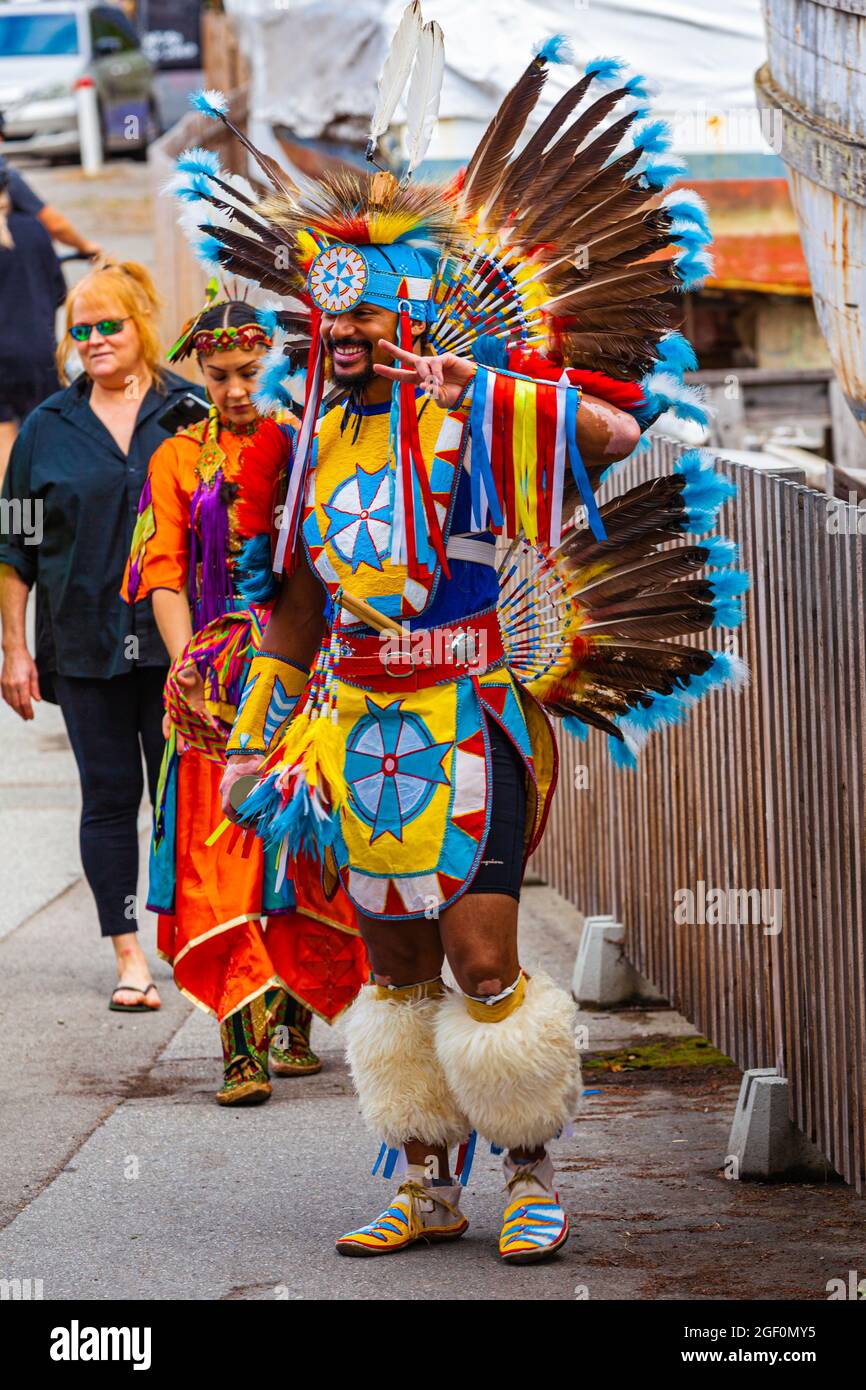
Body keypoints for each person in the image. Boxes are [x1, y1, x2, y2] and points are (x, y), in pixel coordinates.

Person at [179, 17, 745, 1266]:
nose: (360, 346)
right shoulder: (306, 443)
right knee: (392, 971)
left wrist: (484, 391)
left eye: (380, 328)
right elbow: (292, 609)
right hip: (352, 736)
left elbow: (621, 437)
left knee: (482, 956)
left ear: (415, 323)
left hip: (469, 724)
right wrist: (256, 740)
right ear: (319, 336)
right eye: (342, 334)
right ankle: (425, 1183)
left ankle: (533, 1173)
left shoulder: (476, 422)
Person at [122, 290, 367, 1104]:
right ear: (198, 368)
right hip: (214, 675)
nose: (234, 390)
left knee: (301, 844)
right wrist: (187, 659)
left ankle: (295, 1022)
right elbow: (162, 570)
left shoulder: (311, 447)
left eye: (250, 372)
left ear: (278, 366)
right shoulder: (173, 460)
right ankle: (240, 1045)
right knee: (218, 849)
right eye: (220, 374)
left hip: (302, 667)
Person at [0, 259, 201, 1012]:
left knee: (182, 796)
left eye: (106, 325)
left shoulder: (190, 410)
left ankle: (195, 937)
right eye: (78, 330)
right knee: (110, 797)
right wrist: (15, 650)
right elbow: (12, 546)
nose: (91, 340)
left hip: (179, 644)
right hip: (81, 644)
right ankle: (129, 956)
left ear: (140, 325)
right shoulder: (45, 430)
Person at [0, 157, 66, 482]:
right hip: (37, 354)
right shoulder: (34, 230)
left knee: (3, 441)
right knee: (39, 440)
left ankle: (13, 529)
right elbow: (59, 291)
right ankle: (39, 528)